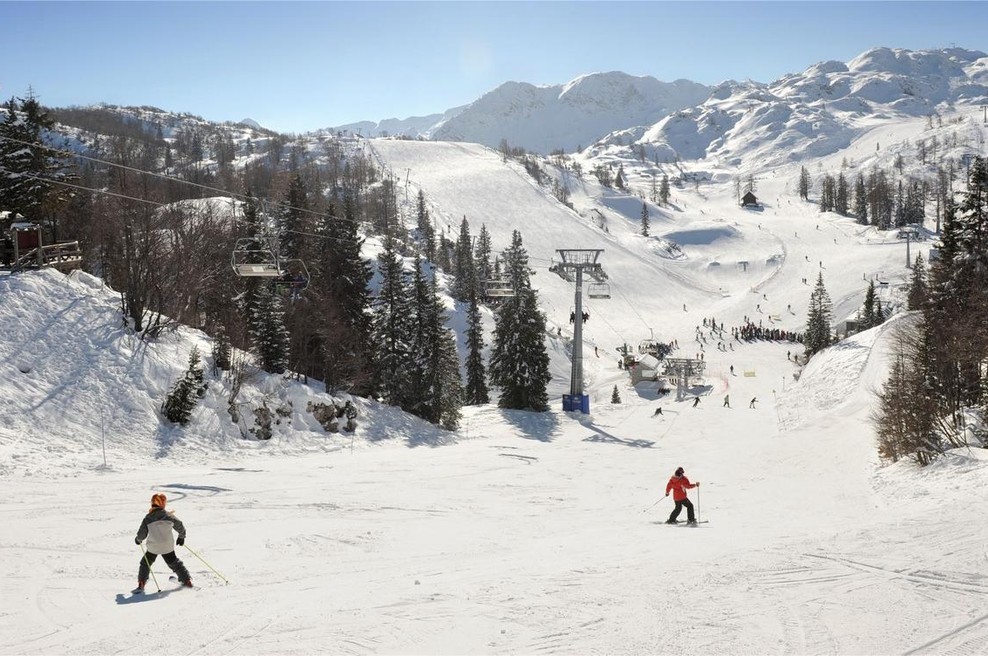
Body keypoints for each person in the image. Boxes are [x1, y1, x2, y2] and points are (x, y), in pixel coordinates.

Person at [134, 493, 192, 591]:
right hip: (167, 546)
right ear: (163, 504)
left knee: (145, 563)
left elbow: (141, 534)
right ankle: (186, 580)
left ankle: (142, 582)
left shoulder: (148, 518)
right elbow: (180, 525)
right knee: (174, 563)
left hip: (153, 546)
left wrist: (138, 540)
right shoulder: (169, 516)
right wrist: (181, 537)